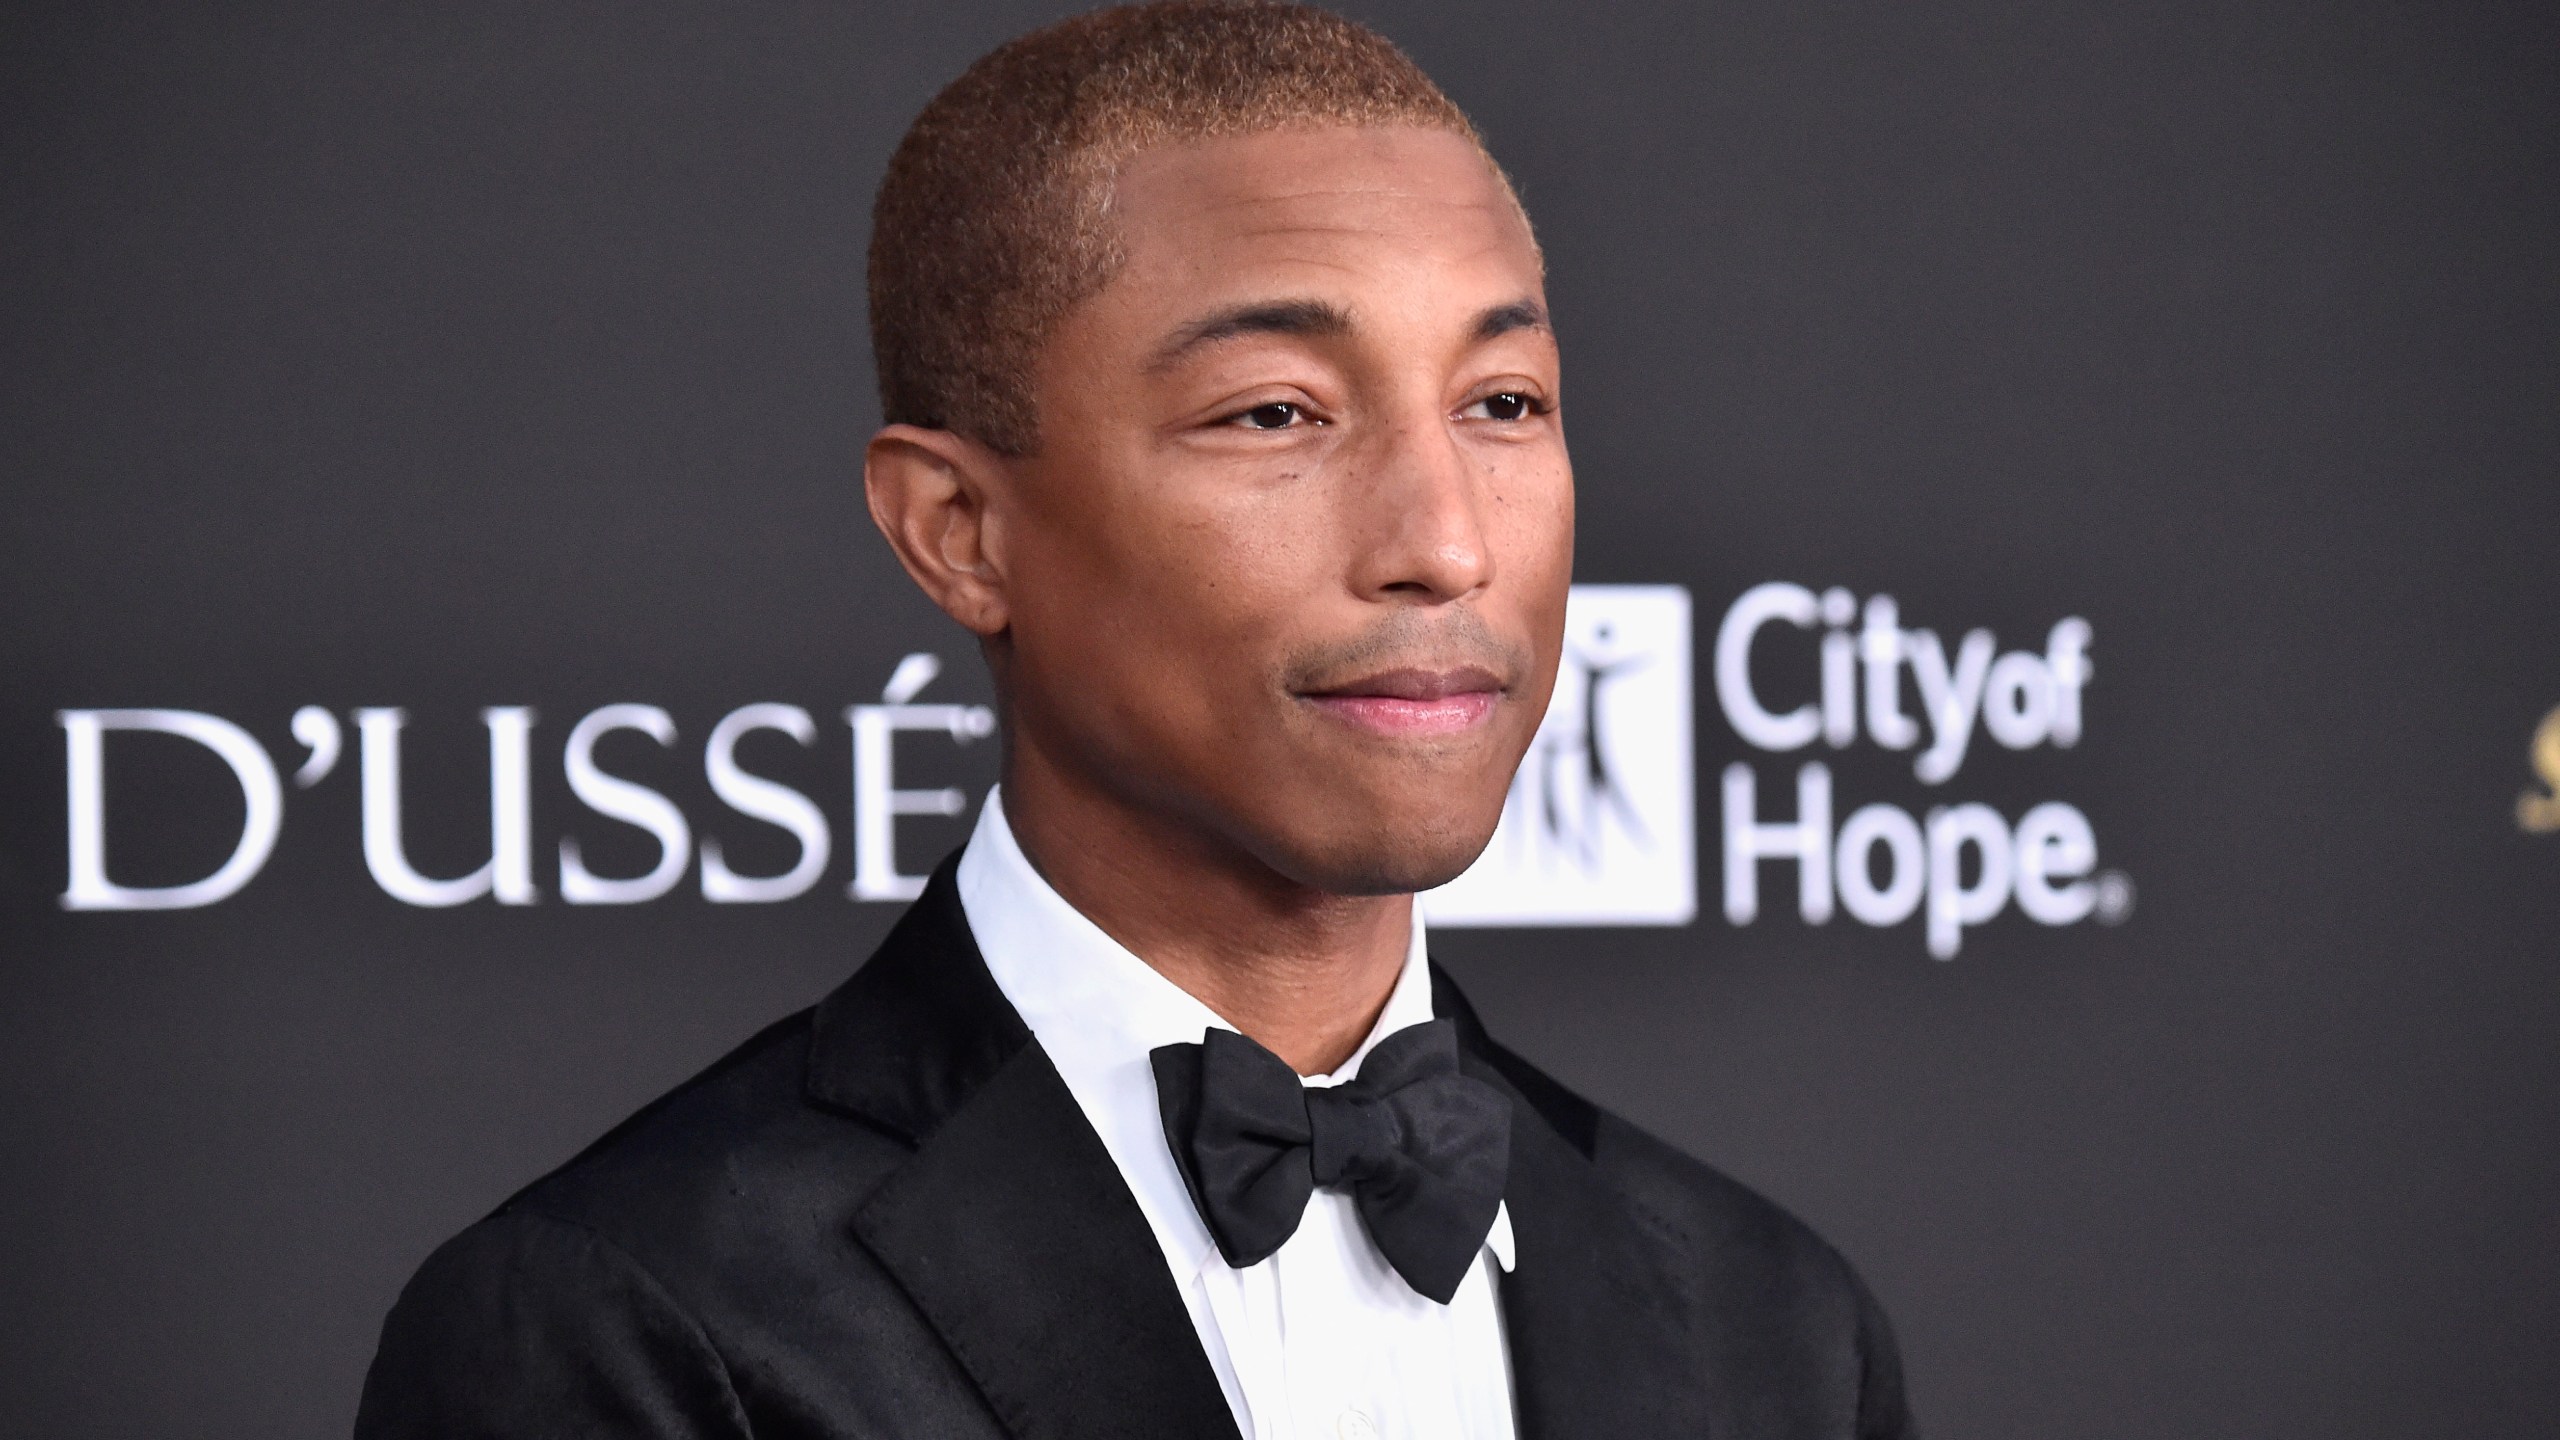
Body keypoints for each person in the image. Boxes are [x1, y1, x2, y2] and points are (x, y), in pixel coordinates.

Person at [354, 4, 1918, 1437]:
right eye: (1277, 414)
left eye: (1502, 403)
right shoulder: (627, 1322)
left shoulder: (1773, 1327)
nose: (1448, 543)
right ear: (961, 531)